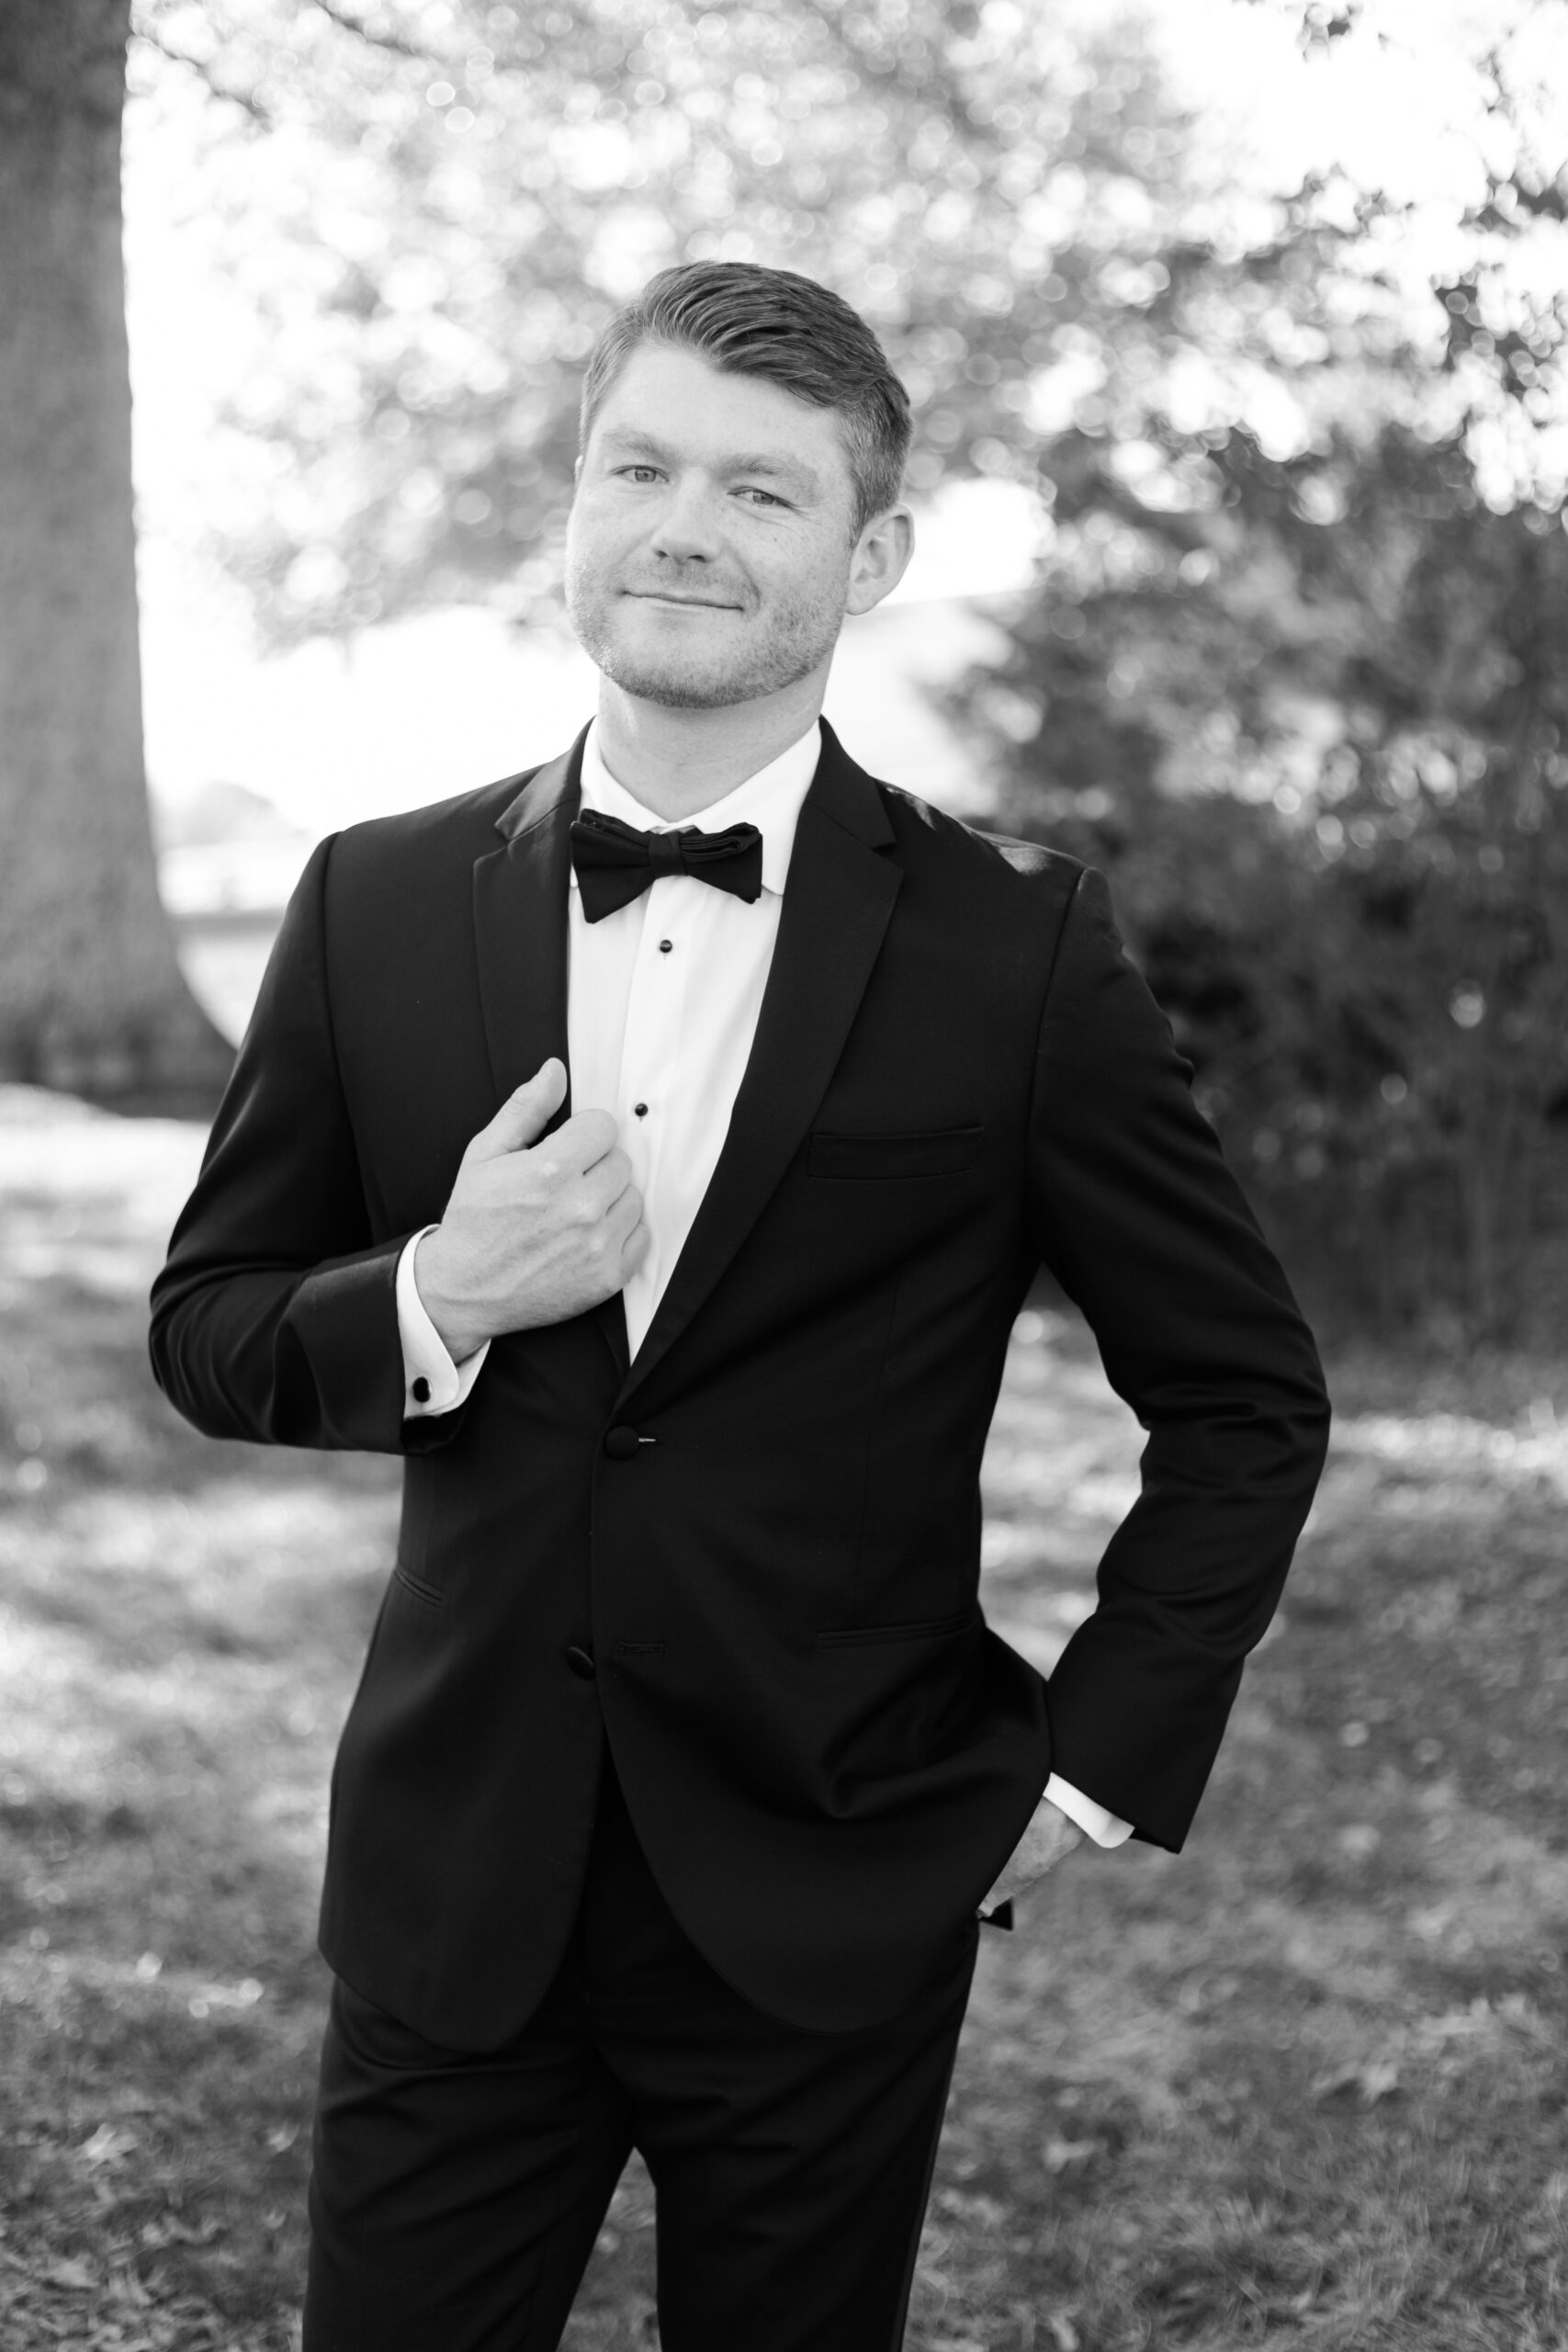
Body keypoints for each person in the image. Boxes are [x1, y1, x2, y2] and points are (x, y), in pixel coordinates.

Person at [149, 261, 1331, 2352]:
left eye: (763, 493)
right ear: (573, 506)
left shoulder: (1016, 949)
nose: (685, 524)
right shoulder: (370, 897)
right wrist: (439, 1288)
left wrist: (1089, 1767)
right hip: (457, 1878)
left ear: (868, 554)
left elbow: (1239, 1396)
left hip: (836, 1883)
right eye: (641, 466)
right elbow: (209, 1324)